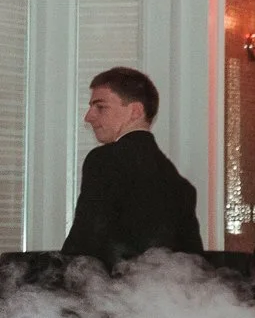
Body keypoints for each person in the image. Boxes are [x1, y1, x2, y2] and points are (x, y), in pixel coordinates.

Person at [62, 68, 202, 269]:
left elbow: (84, 244)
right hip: (162, 295)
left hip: (111, 293)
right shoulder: (181, 186)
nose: (88, 117)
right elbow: (193, 262)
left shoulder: (105, 160)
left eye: (100, 107)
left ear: (135, 111)